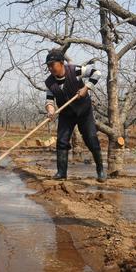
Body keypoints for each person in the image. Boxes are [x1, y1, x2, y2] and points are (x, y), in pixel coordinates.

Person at [44, 48, 106, 182]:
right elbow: (49, 100)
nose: (50, 68)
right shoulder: (49, 82)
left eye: (52, 65)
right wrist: (50, 111)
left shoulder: (75, 70)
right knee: (61, 141)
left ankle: (100, 169)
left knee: (91, 139)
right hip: (66, 114)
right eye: (48, 66)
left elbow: (97, 73)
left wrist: (86, 88)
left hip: (84, 111)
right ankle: (61, 173)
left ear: (61, 63)